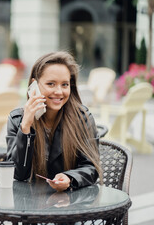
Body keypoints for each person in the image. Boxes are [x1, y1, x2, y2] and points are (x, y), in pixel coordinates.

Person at [6, 51, 102, 192]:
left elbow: (92, 168)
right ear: (35, 85)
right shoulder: (17, 120)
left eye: (64, 85)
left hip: (72, 203)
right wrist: (26, 127)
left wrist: (70, 178)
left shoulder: (82, 118)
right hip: (29, 205)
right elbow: (18, 174)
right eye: (51, 84)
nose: (59, 91)